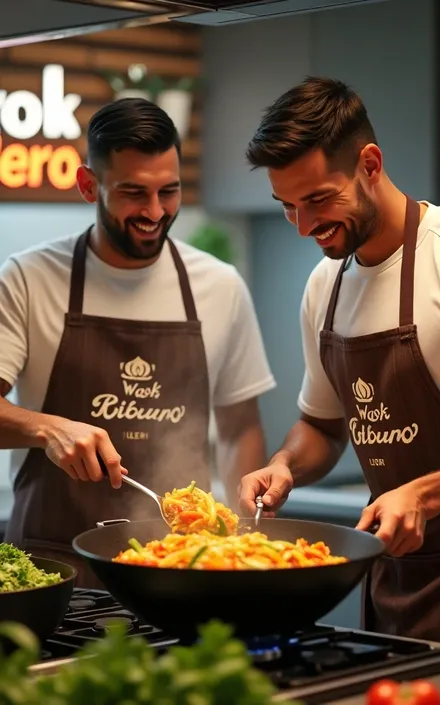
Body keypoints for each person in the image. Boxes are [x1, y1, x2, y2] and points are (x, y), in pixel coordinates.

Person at [238, 76, 440, 647]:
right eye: (287, 205)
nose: (302, 226)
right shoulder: (327, 286)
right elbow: (323, 425)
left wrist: (422, 495)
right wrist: (286, 464)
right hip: (395, 583)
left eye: (318, 199)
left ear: (370, 163)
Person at [0, 98, 276, 587]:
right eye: (133, 193)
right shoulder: (28, 278)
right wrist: (46, 429)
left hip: (182, 570)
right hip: (55, 575)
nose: (154, 212)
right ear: (90, 185)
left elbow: (239, 428)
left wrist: (239, 540)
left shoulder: (219, 285)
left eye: (168, 192)